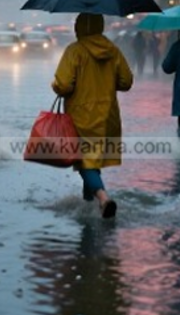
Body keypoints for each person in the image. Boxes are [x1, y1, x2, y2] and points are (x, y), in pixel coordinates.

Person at [52, 13, 133, 219]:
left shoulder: (74, 51)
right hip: (108, 115)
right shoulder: (113, 50)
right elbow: (126, 82)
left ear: (79, 27)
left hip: (81, 116)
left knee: (85, 161)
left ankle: (103, 198)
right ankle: (88, 205)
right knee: (92, 162)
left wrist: (57, 86)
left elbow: (63, 84)